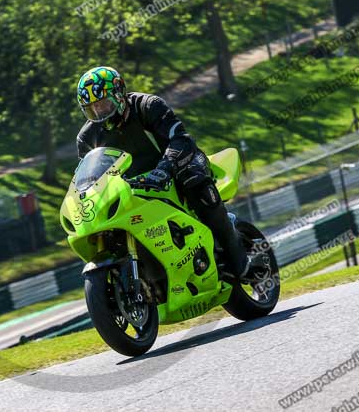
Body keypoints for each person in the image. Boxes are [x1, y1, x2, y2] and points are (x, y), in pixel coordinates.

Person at [75, 66, 254, 280]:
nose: (99, 113)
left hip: (177, 165)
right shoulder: (87, 137)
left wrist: (165, 168)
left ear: (119, 94)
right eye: (92, 109)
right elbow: (90, 175)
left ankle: (239, 261)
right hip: (133, 186)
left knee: (196, 184)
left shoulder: (147, 106)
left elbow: (180, 138)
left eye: (103, 104)